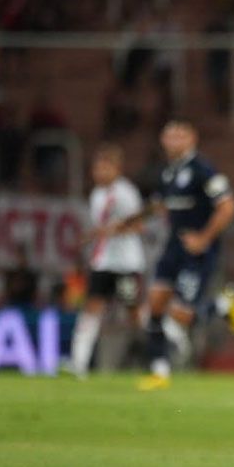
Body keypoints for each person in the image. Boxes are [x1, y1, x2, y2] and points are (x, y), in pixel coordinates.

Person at [117, 119, 234, 390]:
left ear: (192, 139)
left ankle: (222, 306)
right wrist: (131, 221)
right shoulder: (168, 173)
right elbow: (159, 204)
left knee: (180, 316)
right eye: (169, 135)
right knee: (154, 306)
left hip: (197, 252)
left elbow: (228, 205)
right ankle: (160, 371)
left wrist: (204, 238)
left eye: (180, 135)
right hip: (173, 247)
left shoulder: (203, 170)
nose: (173, 140)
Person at [68, 144, 146, 378]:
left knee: (134, 314)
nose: (99, 173)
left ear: (116, 169)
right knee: (91, 309)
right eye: (97, 168)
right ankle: (78, 364)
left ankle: (153, 356)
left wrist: (107, 232)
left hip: (127, 264)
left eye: (104, 168)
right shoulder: (97, 194)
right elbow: (101, 230)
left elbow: (138, 225)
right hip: (103, 262)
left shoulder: (126, 193)